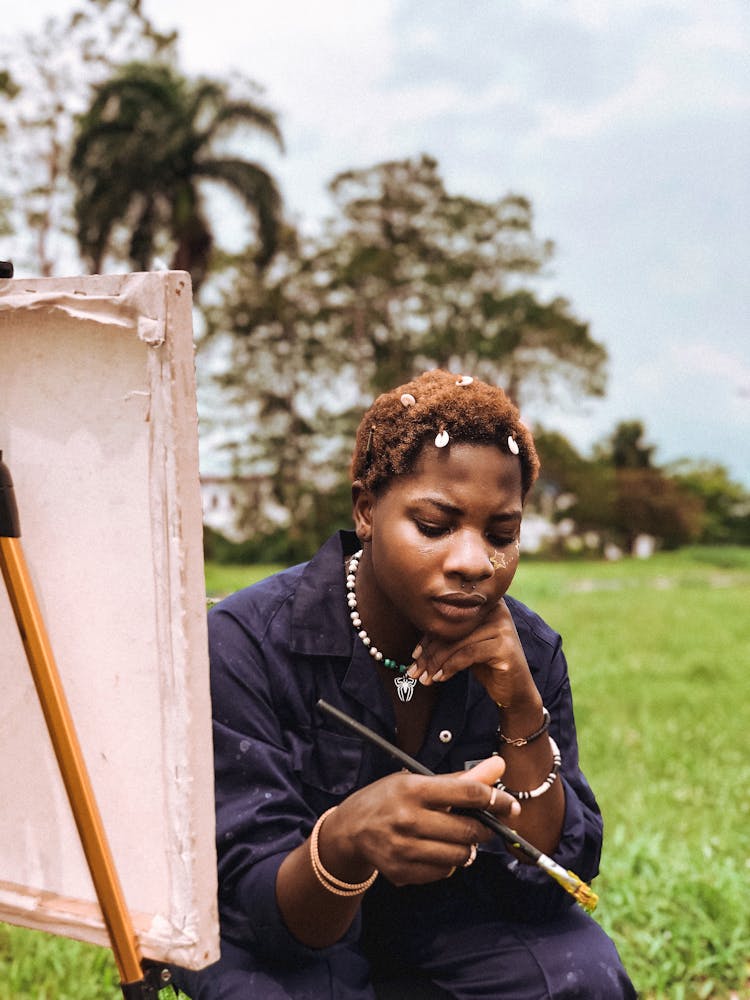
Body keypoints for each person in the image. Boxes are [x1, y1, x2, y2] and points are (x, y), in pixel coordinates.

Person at [172, 370, 636, 999]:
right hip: (290, 943)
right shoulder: (245, 644)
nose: (475, 562)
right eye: (435, 525)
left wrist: (523, 710)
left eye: (501, 535)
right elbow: (255, 909)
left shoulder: (526, 650)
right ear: (367, 511)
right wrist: (343, 842)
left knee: (580, 973)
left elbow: (550, 888)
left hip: (450, 927)